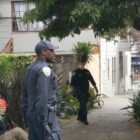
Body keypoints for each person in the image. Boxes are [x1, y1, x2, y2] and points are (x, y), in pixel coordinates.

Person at [21, 40, 61, 140]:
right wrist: (44, 119)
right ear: (43, 52)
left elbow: (24, 94)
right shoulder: (44, 69)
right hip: (44, 116)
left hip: (32, 114)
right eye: (51, 51)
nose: (54, 53)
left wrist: (27, 113)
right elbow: (43, 96)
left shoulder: (30, 68)